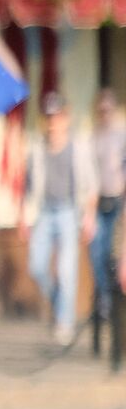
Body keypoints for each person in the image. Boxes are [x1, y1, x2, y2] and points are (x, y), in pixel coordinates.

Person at [23, 93, 97, 344]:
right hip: (44, 211)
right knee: (36, 266)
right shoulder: (37, 147)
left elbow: (91, 184)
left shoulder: (79, 146)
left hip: (68, 211)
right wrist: (25, 215)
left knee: (67, 269)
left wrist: (89, 216)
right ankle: (60, 305)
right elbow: (29, 186)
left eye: (58, 116)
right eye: (50, 117)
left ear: (66, 117)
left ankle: (65, 322)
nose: (54, 122)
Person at [91, 88, 123, 325]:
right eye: (101, 110)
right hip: (99, 203)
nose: (105, 114)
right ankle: (105, 299)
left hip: (119, 202)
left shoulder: (122, 136)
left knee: (116, 255)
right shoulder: (93, 138)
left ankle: (113, 301)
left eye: (108, 110)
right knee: (98, 253)